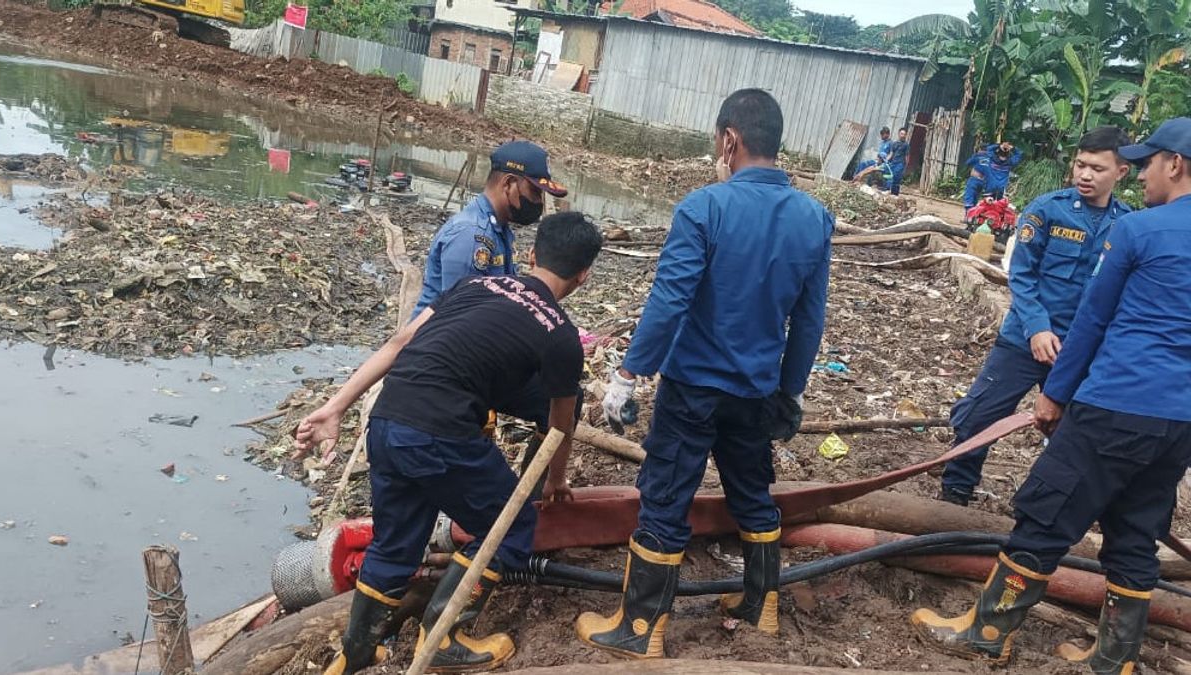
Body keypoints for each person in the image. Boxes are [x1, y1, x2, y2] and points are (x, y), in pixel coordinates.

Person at [913, 117, 1191, 673]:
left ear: (1176, 164)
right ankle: (1115, 660)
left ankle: (987, 632)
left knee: (1046, 511)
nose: (1141, 175)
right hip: (1179, 422)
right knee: (1137, 529)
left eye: (1146, 164)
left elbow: (1093, 320)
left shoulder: (1140, 230)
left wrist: (1055, 396)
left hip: (1119, 402)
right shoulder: (1055, 210)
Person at [574, 89, 833, 658]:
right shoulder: (815, 218)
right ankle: (759, 606)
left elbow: (670, 302)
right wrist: (790, 393)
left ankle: (639, 630)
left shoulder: (704, 208)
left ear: (729, 140)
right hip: (757, 390)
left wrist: (628, 374)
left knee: (665, 496)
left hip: (693, 387)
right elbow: (809, 323)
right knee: (751, 491)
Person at [296, 212, 604, 674]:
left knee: (395, 543)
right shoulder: (560, 336)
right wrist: (554, 482)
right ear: (584, 275)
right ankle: (444, 639)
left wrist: (336, 406)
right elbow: (561, 423)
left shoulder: (477, 286)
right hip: (438, 433)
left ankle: (355, 653)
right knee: (510, 525)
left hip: (387, 419)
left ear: (532, 255)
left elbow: (401, 342)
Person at [939, 127, 1133, 507]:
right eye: (1080, 164)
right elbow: (1022, 276)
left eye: (1097, 167)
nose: (1085, 175)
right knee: (980, 416)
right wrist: (1037, 329)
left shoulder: (1126, 225)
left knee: (1073, 434)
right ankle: (955, 492)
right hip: (1024, 340)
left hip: (1081, 351)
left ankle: (1041, 507)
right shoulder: (1047, 210)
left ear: (1121, 172)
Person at [413, 140, 578, 491]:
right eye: (534, 193)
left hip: (468, 356)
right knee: (553, 399)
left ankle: (536, 491)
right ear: (507, 184)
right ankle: (520, 499)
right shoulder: (473, 238)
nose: (539, 204)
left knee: (560, 398)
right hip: (445, 366)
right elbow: (459, 326)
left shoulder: (497, 231)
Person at [963, 140, 1024, 216]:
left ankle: (972, 218)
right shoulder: (1010, 163)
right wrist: (1013, 148)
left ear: (997, 153)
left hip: (990, 187)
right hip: (1001, 189)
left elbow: (988, 149)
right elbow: (1019, 155)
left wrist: (999, 145)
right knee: (999, 207)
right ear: (1008, 154)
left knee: (987, 206)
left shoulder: (992, 160)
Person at [886, 126, 910, 196]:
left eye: (904, 134)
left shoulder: (906, 145)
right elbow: (891, 154)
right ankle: (889, 193)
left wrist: (905, 166)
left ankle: (895, 195)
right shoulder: (894, 143)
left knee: (896, 178)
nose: (903, 136)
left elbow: (907, 156)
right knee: (889, 177)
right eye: (901, 134)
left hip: (900, 164)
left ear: (906, 135)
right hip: (893, 163)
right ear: (899, 134)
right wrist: (886, 160)